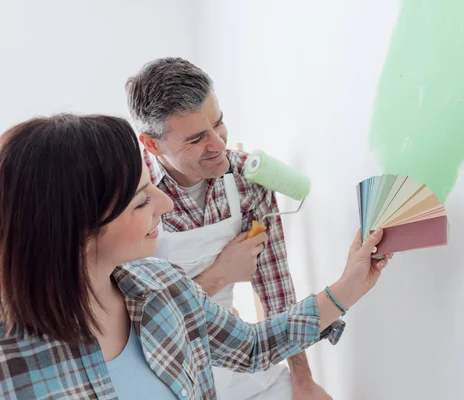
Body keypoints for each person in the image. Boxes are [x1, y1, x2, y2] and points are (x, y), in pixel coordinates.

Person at [0, 114, 392, 400]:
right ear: (76, 230)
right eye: (141, 202)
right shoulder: (10, 361)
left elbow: (253, 347)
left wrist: (347, 288)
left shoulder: (162, 287)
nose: (166, 204)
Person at [124, 57, 332, 399]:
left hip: (232, 352)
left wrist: (303, 380)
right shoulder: (130, 200)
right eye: (195, 139)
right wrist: (220, 274)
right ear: (151, 144)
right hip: (158, 366)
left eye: (218, 124)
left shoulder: (248, 183)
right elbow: (135, 319)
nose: (219, 145)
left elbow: (276, 289)